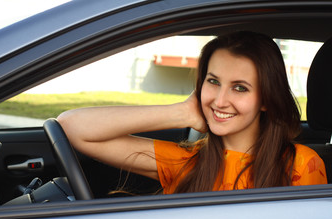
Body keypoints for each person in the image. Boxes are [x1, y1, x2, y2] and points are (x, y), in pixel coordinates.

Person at [58, 31, 327, 194]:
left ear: (266, 99)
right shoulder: (185, 161)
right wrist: (183, 112)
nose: (220, 101)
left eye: (240, 88)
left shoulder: (301, 165)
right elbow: (71, 127)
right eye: (213, 82)